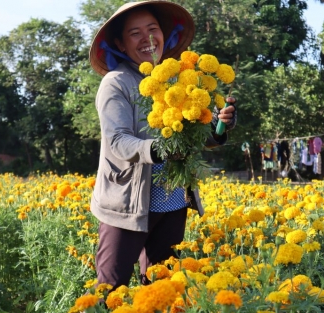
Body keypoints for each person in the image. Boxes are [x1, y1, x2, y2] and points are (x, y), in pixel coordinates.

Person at [88, 0, 236, 291]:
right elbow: (117, 141)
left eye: (152, 29)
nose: (147, 38)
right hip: (127, 204)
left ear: (164, 34)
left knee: (163, 288)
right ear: (119, 42)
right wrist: (159, 149)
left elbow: (190, 136)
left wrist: (218, 126)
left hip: (173, 202)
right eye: (135, 33)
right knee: (110, 291)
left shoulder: (175, 78)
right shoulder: (116, 83)